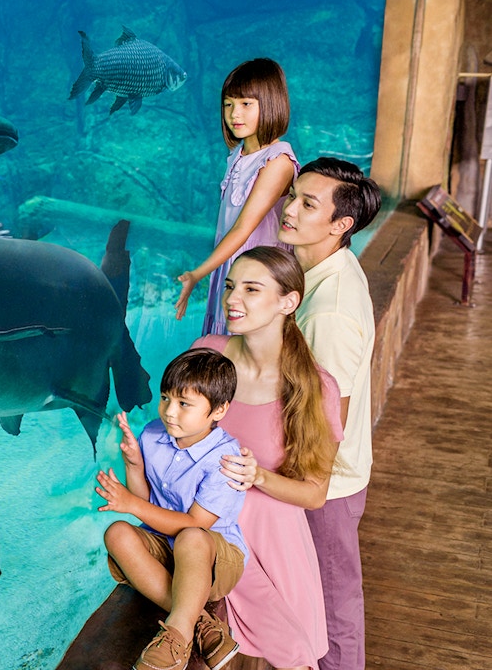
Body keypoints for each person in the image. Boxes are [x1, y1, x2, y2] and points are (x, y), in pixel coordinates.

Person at [195, 246, 343, 670]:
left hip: (272, 544)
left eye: (251, 289)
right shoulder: (208, 352)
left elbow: (315, 495)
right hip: (206, 535)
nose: (232, 299)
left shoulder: (316, 387)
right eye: (229, 286)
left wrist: (258, 475)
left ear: (289, 302)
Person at [277, 157, 381, 670]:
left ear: (342, 225)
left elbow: (327, 421)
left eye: (307, 204)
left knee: (334, 606)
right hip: (315, 478)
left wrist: (299, 489)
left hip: (325, 485)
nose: (289, 208)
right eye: (293, 195)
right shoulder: (319, 268)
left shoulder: (331, 310)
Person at [96, 348, 247, 670]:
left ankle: (176, 638)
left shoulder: (225, 459)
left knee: (192, 537)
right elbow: (148, 504)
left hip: (213, 558)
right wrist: (134, 465)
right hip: (165, 549)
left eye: (184, 404)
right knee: (118, 532)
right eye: (165, 398)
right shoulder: (152, 434)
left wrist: (130, 502)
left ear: (219, 410)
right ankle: (202, 622)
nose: (169, 412)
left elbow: (194, 524)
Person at [176, 58, 298, 335]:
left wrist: (197, 273)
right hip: (230, 265)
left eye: (246, 104)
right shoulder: (237, 155)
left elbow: (244, 228)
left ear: (270, 104)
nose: (234, 114)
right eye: (229, 104)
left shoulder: (278, 161)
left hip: (258, 275)